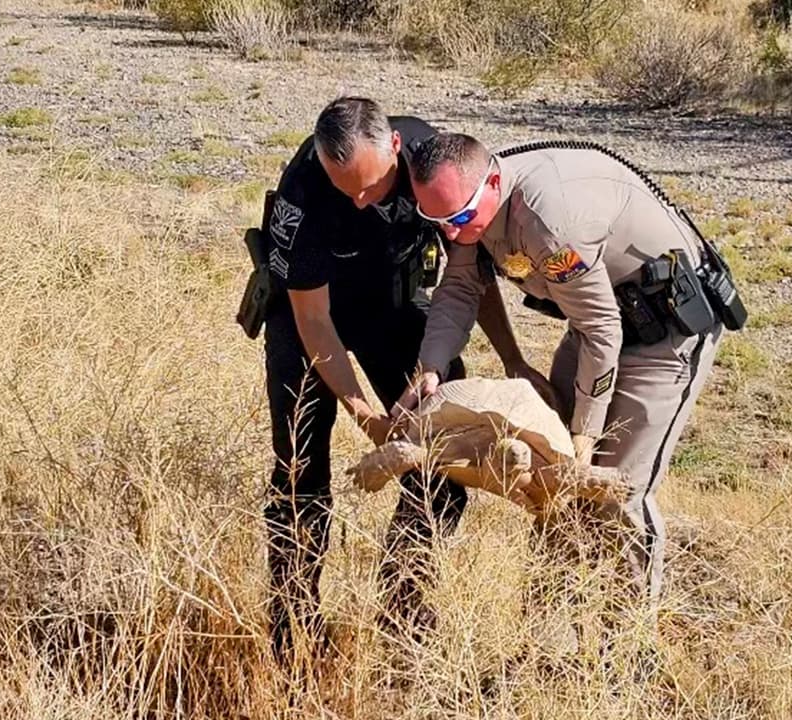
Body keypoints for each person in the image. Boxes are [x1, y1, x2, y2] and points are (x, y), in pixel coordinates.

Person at [392, 133, 743, 608]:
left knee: (615, 491)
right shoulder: (469, 208)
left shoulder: (550, 223)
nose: (452, 232)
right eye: (437, 220)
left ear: (493, 181)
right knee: (555, 485)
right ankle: (551, 640)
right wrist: (432, 365)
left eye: (459, 218)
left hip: (665, 336)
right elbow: (458, 289)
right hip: (600, 325)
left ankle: (627, 650)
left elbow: (603, 334)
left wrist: (585, 435)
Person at [253, 98, 526, 660]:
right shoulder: (304, 194)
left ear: (396, 150)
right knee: (301, 475)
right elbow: (314, 322)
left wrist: (514, 359)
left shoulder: (434, 167)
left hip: (393, 306)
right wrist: (368, 417)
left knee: (443, 461)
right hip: (308, 317)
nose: (358, 200)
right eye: (344, 188)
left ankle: (403, 614)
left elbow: (470, 269)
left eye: (371, 188)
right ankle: (294, 630)